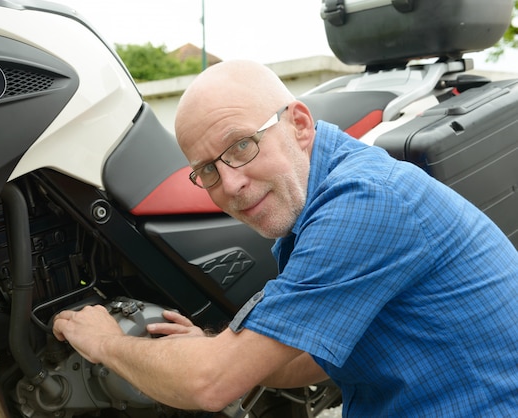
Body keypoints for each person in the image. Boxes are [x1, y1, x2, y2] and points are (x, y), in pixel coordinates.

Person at [53, 60, 518, 415]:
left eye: (241, 145)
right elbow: (318, 358)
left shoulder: (363, 204)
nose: (230, 183)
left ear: (298, 124)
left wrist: (105, 344)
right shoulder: (316, 204)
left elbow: (210, 387)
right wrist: (213, 345)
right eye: (207, 170)